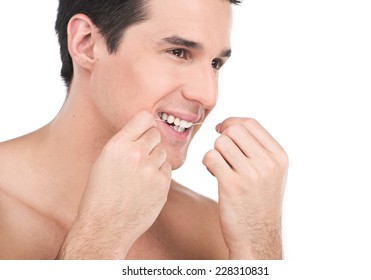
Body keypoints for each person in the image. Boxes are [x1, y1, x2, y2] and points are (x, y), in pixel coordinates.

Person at [0, 0, 288, 260]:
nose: (208, 95)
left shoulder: (215, 229)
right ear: (86, 43)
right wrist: (102, 238)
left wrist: (259, 244)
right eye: (178, 52)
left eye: (216, 64)